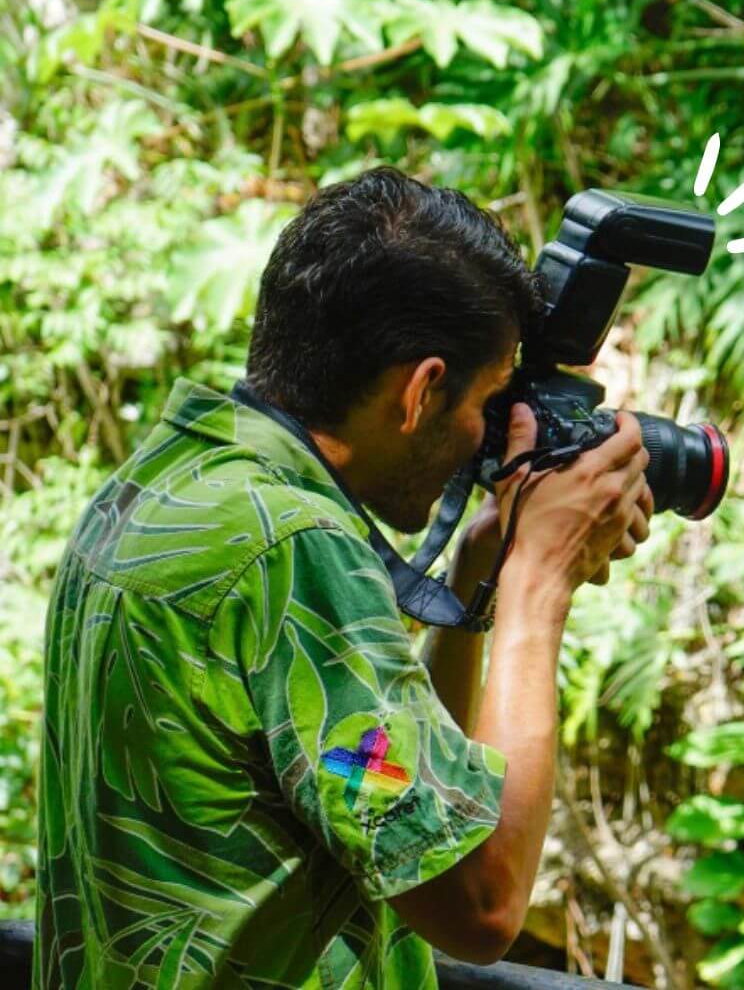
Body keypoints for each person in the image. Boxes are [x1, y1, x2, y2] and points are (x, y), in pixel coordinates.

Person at [33, 167, 654, 988]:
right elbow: (483, 902)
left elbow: (391, 797)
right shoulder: (293, 550)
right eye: (490, 402)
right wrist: (540, 586)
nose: (487, 438)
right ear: (422, 389)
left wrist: (479, 574)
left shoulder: (168, 480)